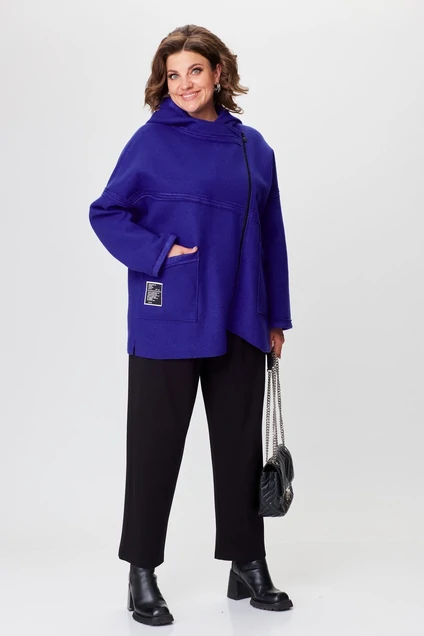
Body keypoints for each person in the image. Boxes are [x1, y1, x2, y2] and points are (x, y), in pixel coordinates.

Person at [89, 24, 293, 627]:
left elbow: (272, 236)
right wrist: (160, 253)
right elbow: (106, 212)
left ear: (218, 72)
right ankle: (141, 572)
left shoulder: (255, 148)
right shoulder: (150, 142)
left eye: (195, 71)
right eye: (173, 74)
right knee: (154, 450)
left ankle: (247, 561)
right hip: (169, 316)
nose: (184, 84)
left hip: (240, 316)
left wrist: (276, 317)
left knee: (238, 447)